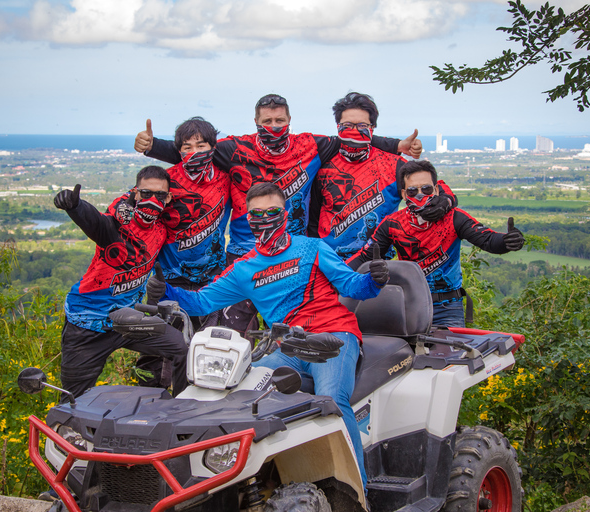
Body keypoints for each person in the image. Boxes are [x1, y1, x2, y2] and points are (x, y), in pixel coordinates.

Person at [149, 182, 390, 490]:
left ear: (286, 214)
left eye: (272, 212)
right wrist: (164, 291)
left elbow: (352, 286)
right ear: (247, 220)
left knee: (332, 399)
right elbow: (202, 301)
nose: (264, 219)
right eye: (255, 214)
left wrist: (374, 280)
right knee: (241, 395)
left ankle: (358, 489)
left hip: (334, 337)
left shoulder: (312, 248)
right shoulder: (244, 269)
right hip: (287, 347)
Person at [134, 93, 422, 334]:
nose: (273, 126)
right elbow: (196, 152)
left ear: (289, 121)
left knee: (293, 327)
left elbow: (351, 137)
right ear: (256, 122)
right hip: (244, 254)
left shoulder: (309, 146)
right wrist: (153, 147)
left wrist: (397, 145)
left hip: (294, 253)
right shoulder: (236, 149)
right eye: (267, 121)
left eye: (279, 120)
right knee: (232, 331)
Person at [54, 166, 189, 401]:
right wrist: (75, 207)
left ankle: (182, 409)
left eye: (160, 196)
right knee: (73, 399)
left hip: (128, 321)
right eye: (146, 194)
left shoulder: (159, 231)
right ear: (136, 194)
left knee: (180, 348)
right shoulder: (118, 226)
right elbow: (96, 223)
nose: (152, 201)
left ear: (168, 198)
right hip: (88, 324)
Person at [347, 160, 525, 327]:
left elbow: (487, 240)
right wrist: (332, 275)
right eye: (412, 191)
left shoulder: (454, 218)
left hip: (448, 306)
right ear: (403, 194)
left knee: (453, 358)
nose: (419, 195)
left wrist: (507, 241)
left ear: (436, 190)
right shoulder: (392, 224)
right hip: (409, 304)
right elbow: (365, 256)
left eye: (426, 189)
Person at [138, 117, 231, 387]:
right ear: (178, 152)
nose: (194, 153)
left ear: (214, 147)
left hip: (211, 279)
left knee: (209, 346)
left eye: (200, 146)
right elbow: (137, 208)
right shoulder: (168, 182)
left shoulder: (226, 179)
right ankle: (149, 403)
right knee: (158, 348)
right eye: (187, 148)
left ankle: (199, 403)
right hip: (168, 278)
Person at [310, 92, 456, 260]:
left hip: (378, 260)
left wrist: (445, 200)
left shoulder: (394, 165)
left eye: (362, 126)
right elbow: (313, 216)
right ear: (337, 126)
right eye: (347, 125)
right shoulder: (324, 163)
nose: (354, 131)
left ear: (372, 128)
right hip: (330, 261)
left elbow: (431, 183)